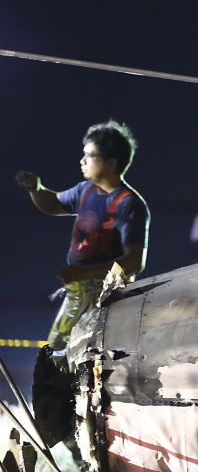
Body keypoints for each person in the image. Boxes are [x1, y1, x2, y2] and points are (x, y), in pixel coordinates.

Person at [15, 120, 150, 352]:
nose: (82, 160)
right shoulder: (84, 191)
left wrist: (85, 273)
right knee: (58, 353)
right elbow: (53, 203)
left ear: (110, 162)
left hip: (107, 297)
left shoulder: (130, 204)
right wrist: (35, 189)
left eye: (90, 155)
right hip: (77, 292)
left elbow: (134, 261)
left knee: (85, 356)